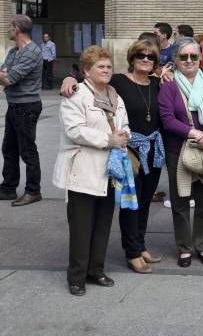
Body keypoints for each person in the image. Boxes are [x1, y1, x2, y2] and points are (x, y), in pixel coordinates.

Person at [61, 39, 167, 274]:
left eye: (151, 57)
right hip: (127, 151)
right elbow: (89, 81)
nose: (146, 60)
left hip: (152, 151)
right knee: (131, 201)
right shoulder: (118, 80)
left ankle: (140, 245)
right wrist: (69, 79)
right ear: (132, 57)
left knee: (146, 201)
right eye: (141, 55)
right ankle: (132, 252)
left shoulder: (158, 83)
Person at [52, 45, 129, 296]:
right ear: (86, 70)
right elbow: (74, 130)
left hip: (109, 170)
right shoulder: (76, 95)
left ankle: (96, 269)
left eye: (108, 66)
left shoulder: (115, 94)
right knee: (81, 227)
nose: (106, 70)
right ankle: (76, 277)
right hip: (83, 169)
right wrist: (109, 139)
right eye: (100, 66)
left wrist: (124, 134)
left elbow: (124, 122)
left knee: (103, 224)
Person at [158, 37, 203, 267]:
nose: (189, 61)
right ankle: (184, 248)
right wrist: (194, 133)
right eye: (183, 56)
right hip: (178, 150)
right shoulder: (168, 86)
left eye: (194, 56)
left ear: (200, 59)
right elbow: (167, 120)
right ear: (175, 60)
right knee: (179, 203)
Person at [0, 15, 44, 206]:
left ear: (17, 29)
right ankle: (8, 188)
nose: (8, 30)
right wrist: (6, 73)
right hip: (14, 105)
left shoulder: (32, 52)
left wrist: (6, 74)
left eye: (10, 27)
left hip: (27, 106)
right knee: (9, 148)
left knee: (27, 150)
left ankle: (33, 191)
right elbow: (4, 72)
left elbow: (8, 79)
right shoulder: (13, 51)